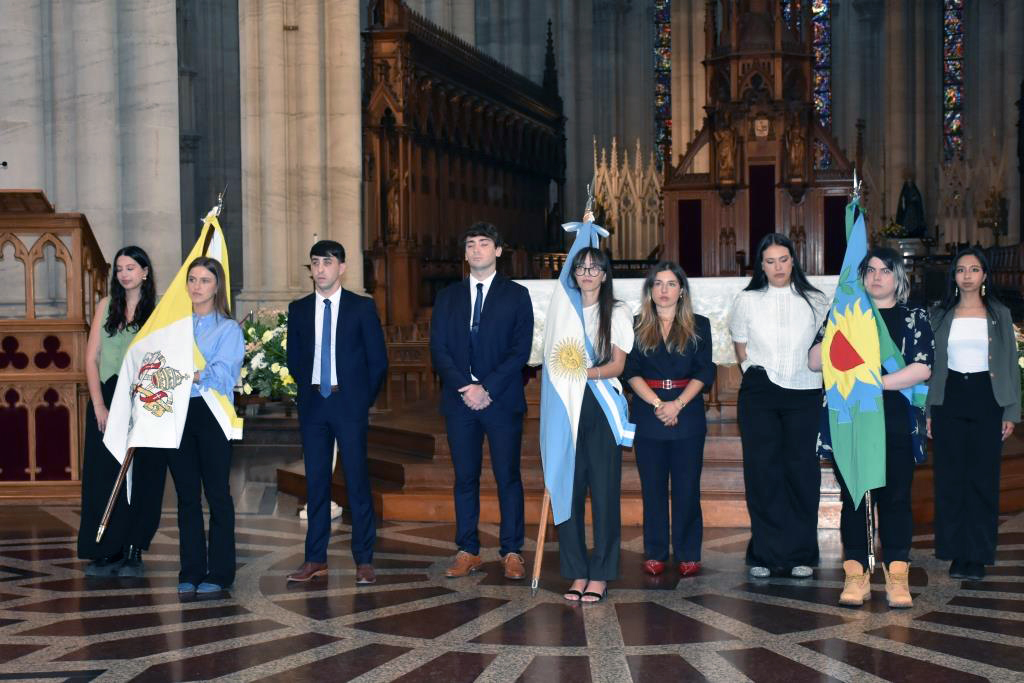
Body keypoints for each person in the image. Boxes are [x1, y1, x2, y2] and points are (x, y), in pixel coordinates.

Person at [809, 247, 933, 608]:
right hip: (851, 422)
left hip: (895, 420)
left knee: (895, 499)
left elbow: (923, 368)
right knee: (854, 501)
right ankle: (857, 575)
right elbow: (814, 361)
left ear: (899, 278)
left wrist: (873, 382)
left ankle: (897, 578)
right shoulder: (846, 314)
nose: (877, 276)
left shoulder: (914, 315)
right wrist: (834, 328)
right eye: (871, 270)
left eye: (885, 270)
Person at [430, 223, 534, 580]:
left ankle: (512, 551)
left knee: (507, 476)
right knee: (465, 478)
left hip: (501, 399)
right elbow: (439, 350)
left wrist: (486, 386)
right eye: (470, 245)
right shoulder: (447, 297)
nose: (476, 250)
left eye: (484, 244)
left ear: (498, 251)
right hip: (460, 401)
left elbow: (520, 351)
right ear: (465, 253)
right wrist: (466, 386)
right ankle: (467, 549)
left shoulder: (517, 295)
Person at [285, 240, 387, 585]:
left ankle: (364, 559)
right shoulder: (298, 309)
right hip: (314, 403)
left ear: (342, 267)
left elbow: (377, 361)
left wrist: (361, 400)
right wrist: (309, 390)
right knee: (315, 484)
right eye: (314, 263)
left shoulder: (361, 307)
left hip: (349, 403)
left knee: (356, 480)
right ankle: (315, 558)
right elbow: (295, 359)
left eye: (327, 263)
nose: (320, 269)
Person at [728, 232, 829, 578]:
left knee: (801, 472)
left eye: (783, 259)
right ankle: (765, 553)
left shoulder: (816, 300)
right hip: (761, 391)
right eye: (769, 261)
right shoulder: (747, 300)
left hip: (805, 391)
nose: (778, 267)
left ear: (793, 260)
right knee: (763, 472)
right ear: (761, 265)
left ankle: (801, 552)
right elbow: (741, 348)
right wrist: (760, 373)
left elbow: (823, 347)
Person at [927, 247, 1020, 581]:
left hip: (987, 398)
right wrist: (929, 410)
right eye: (961, 269)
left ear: (984, 275)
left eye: (974, 269)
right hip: (949, 398)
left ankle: (977, 555)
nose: (967, 275)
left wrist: (1011, 410)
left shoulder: (999, 314)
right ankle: (954, 552)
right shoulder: (939, 314)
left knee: (983, 479)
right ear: (953, 275)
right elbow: (932, 366)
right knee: (950, 478)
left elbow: (1010, 363)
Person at [78, 246, 166, 577]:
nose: (124, 274)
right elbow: (91, 358)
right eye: (119, 269)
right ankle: (105, 547)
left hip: (144, 400)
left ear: (145, 272)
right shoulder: (105, 306)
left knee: (142, 476)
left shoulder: (157, 311)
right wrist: (98, 404)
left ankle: (133, 547)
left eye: (131, 268)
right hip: (107, 398)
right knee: (104, 475)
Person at [624, 261, 714, 578]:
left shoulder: (699, 325)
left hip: (686, 412)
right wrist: (659, 404)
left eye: (671, 284)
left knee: (687, 487)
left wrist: (676, 404)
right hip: (649, 413)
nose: (664, 290)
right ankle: (656, 551)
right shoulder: (635, 325)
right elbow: (630, 371)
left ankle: (689, 552)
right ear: (649, 291)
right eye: (657, 284)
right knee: (653, 488)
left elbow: (705, 371)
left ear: (681, 291)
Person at [559, 246, 634, 603]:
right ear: (573, 273)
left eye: (595, 268)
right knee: (568, 493)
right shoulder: (564, 310)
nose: (587, 273)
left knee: (603, 492)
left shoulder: (617, 311)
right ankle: (576, 571)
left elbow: (619, 365)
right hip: (568, 405)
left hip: (600, 403)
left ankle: (601, 574)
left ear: (605, 274)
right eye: (581, 267)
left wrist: (584, 373)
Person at [171, 256, 244, 596]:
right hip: (178, 415)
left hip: (211, 414)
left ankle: (220, 571)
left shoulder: (228, 329)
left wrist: (188, 372)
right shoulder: (174, 327)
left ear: (217, 287)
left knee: (217, 495)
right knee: (186, 497)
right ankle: (191, 569)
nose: (196, 286)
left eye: (204, 280)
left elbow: (222, 373)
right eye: (192, 279)